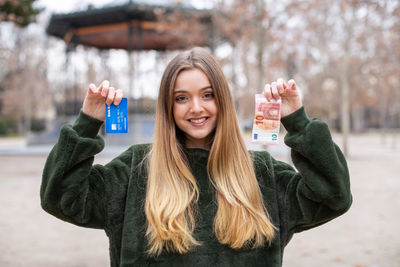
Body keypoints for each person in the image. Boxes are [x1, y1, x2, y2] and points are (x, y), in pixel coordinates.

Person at [40, 47, 352, 267]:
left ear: (223, 101)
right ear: (168, 107)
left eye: (207, 95)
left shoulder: (263, 174)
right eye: (181, 98)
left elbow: (333, 196)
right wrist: (87, 122)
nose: (196, 108)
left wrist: (297, 120)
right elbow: (60, 198)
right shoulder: (134, 170)